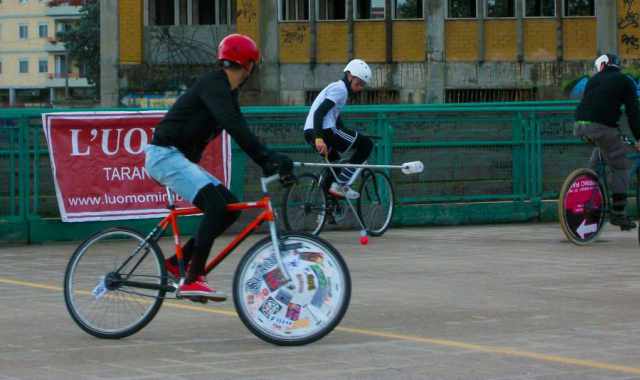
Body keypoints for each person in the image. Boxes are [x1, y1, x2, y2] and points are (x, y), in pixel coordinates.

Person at [144, 34, 293, 301]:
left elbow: (241, 127)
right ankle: (193, 278)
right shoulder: (214, 85)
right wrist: (266, 158)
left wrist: (269, 159)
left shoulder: (226, 91)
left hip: (175, 158)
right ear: (249, 65)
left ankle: (175, 263)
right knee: (215, 206)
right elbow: (235, 127)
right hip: (165, 156)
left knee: (229, 208)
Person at [574, 53, 640, 230]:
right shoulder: (625, 81)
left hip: (580, 125)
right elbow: (633, 113)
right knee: (620, 166)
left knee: (603, 148)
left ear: (602, 66)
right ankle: (618, 213)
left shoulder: (593, 80)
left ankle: (588, 180)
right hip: (602, 127)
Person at [303, 59, 374, 199]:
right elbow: (320, 113)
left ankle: (326, 207)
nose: (359, 88)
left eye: (362, 85)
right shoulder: (340, 90)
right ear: (349, 76)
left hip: (309, 132)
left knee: (335, 166)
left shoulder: (335, 88)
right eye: (358, 83)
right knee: (366, 144)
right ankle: (342, 185)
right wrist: (319, 138)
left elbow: (336, 119)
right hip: (324, 131)